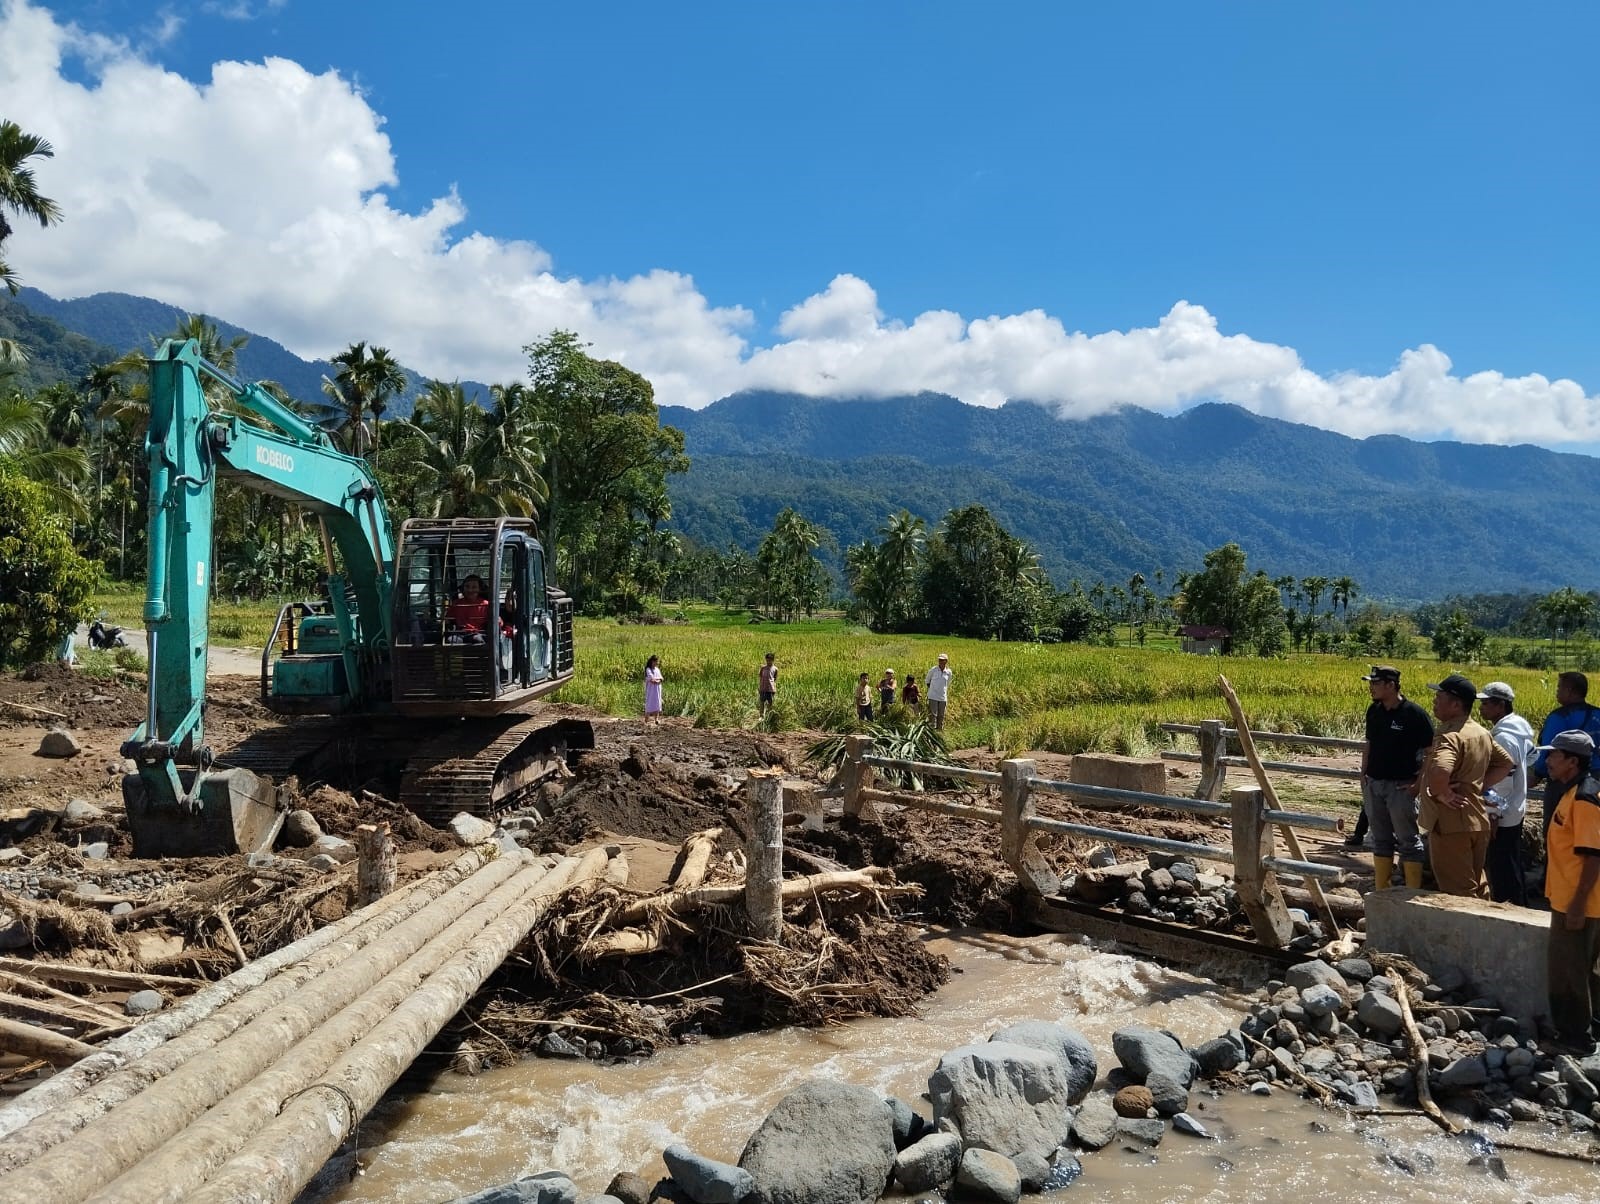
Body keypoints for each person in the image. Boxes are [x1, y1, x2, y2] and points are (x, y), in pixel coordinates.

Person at [1417, 673, 1514, 898]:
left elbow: (1440, 769)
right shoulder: (1481, 733)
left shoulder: (1450, 736)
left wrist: (1443, 793)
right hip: (1477, 819)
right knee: (1477, 883)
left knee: (1459, 891)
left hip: (1451, 823)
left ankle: (1467, 932)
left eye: (1439, 697)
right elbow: (1506, 763)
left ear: (1456, 704)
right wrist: (1477, 786)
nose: (1434, 701)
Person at [1541, 730, 1600, 1053]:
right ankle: (1588, 1028)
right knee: (1583, 967)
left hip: (1578, 901)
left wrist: (1577, 904)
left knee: (1569, 970)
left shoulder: (1585, 798)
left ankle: (1576, 1038)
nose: (1548, 761)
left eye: (1554, 755)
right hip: (1571, 896)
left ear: (1572, 762)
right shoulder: (1574, 791)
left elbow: (1593, 856)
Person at [1358, 666, 1434, 889]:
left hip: (1401, 787)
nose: (1371, 688)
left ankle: (1411, 891)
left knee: (1408, 841)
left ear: (1391, 685)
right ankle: (1382, 888)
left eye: (1376, 683)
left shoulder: (1415, 715)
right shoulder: (1374, 711)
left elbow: (1431, 752)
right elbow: (1369, 744)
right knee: (1380, 840)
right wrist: (1364, 775)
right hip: (1375, 784)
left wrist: (1418, 785)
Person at [1477, 681, 1536, 905]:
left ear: (1500, 706)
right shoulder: (1519, 731)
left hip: (1503, 812)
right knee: (1511, 862)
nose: (1481, 708)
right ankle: (1520, 904)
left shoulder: (1503, 737)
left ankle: (1511, 908)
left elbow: (1503, 781)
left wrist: (1493, 812)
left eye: (1485, 703)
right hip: (1515, 807)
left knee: (1502, 868)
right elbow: (1532, 756)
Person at [1535, 672, 1600, 843]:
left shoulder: (1560, 717)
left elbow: (1548, 753)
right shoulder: (1598, 714)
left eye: (1559, 688)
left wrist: (1537, 773)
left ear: (1570, 691)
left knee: (1556, 833)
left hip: (1564, 780)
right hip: (1596, 778)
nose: (1557, 692)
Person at [444, 574, 491, 643]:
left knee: (477, 639)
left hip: (477, 633)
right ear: (463, 588)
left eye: (474, 587)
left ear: (480, 589)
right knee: (451, 640)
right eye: (467, 586)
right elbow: (448, 619)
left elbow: (498, 622)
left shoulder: (486, 604)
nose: (470, 590)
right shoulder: (456, 603)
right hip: (460, 634)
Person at [925, 653, 953, 731]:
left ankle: (939, 730)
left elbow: (948, 683)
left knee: (941, 715)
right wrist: (932, 689)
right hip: (933, 696)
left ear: (946, 661)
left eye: (942, 660)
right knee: (933, 715)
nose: (940, 661)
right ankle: (932, 731)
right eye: (939, 660)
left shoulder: (948, 672)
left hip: (943, 696)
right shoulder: (933, 670)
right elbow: (927, 680)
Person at [643, 655, 663, 724]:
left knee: (657, 702)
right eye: (656, 661)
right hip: (651, 689)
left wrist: (657, 680)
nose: (657, 663)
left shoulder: (657, 669)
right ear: (652, 661)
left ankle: (656, 719)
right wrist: (657, 680)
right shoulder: (648, 669)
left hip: (657, 689)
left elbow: (661, 678)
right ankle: (646, 720)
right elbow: (651, 679)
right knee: (649, 703)